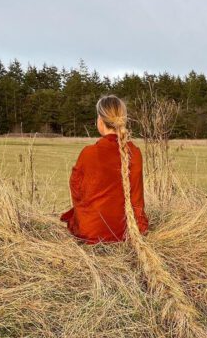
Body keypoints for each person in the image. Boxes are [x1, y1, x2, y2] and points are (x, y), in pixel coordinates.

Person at [60, 95, 149, 244]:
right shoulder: (135, 152)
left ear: (100, 121)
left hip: (92, 231)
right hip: (127, 231)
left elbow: (76, 190)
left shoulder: (89, 153)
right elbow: (137, 197)